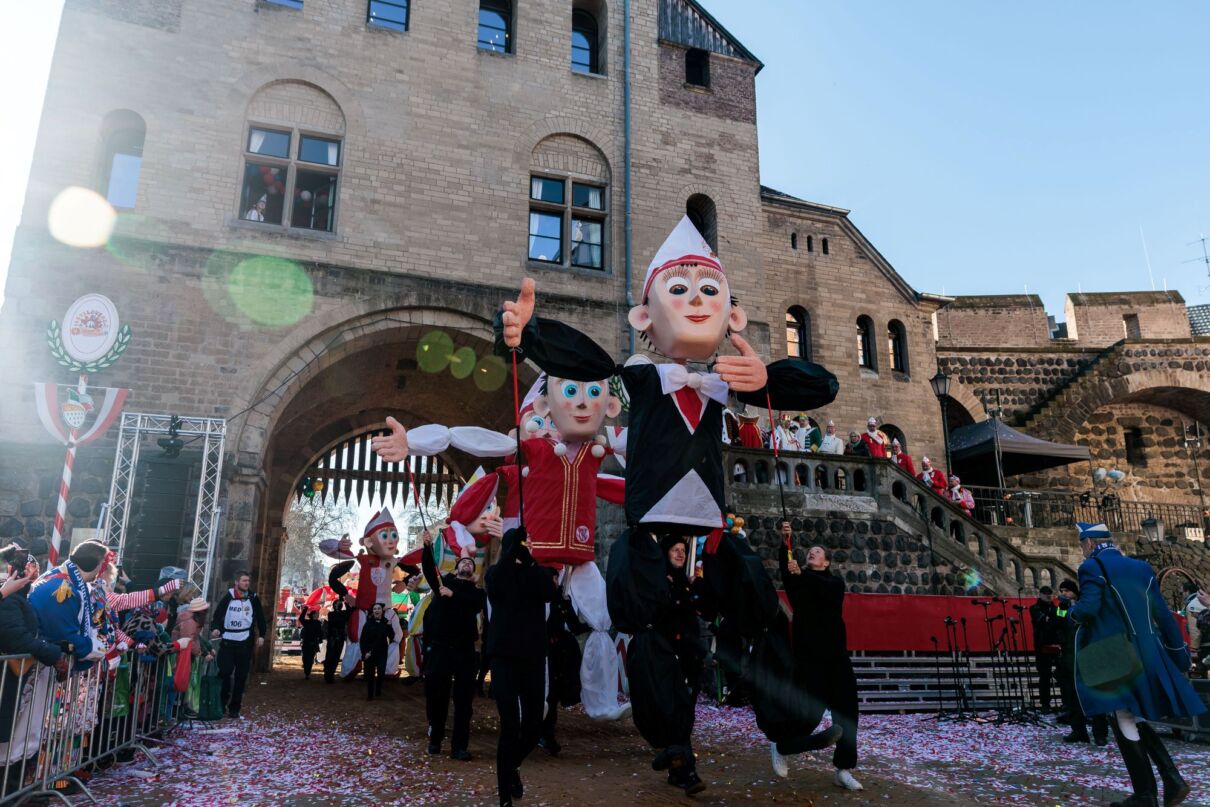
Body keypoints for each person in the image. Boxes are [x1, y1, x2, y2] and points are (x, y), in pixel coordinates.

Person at [500, 216, 838, 796]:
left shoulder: (727, 380)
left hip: (711, 534)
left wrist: (765, 377)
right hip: (653, 534)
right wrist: (530, 336)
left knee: (759, 608)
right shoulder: (637, 376)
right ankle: (674, 742)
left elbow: (821, 387)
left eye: (709, 291)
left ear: (732, 314)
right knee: (647, 625)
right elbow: (585, 362)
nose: (696, 301)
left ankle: (790, 724)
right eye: (678, 290)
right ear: (644, 318)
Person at [1069, 522, 1205, 807]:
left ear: (1091, 543)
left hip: (1115, 652)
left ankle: (1148, 793)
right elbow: (1164, 615)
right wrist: (1179, 655)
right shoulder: (1141, 568)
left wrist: (1070, 611)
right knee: (1133, 715)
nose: (1083, 550)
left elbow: (1088, 608)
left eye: (1083, 545)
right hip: (1149, 649)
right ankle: (1170, 780)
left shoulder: (1091, 567)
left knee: (1122, 716)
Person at [776, 524, 862, 791]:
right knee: (809, 712)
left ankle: (843, 768)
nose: (812, 553)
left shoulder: (834, 583)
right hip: (809, 658)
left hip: (836, 656)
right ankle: (782, 746)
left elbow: (824, 593)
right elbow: (787, 568)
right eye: (809, 551)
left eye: (817, 552)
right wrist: (785, 544)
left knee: (847, 711)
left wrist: (800, 574)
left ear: (826, 562)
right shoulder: (798, 579)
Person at [485, 529, 558, 807]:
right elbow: (496, 585)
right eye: (520, 546)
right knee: (509, 726)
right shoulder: (497, 574)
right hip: (503, 658)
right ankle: (505, 795)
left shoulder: (535, 574)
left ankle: (513, 765)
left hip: (532, 659)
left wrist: (529, 561)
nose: (524, 549)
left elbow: (549, 591)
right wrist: (511, 552)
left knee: (532, 727)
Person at [0, 545, 69, 787]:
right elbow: (15, 636)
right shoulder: (8, 600)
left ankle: (14, 788)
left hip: (20, 679)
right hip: (10, 679)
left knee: (20, 736)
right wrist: (52, 653)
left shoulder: (14, 599)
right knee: (12, 740)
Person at [420, 527, 486, 761]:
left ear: (473, 571)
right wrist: (427, 548)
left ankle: (460, 746)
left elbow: (474, 604)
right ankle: (435, 739)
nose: (467, 564)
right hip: (440, 648)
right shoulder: (443, 582)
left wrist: (453, 595)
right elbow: (429, 571)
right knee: (437, 695)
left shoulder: (476, 592)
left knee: (464, 701)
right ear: (457, 566)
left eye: (471, 563)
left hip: (464, 651)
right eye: (464, 562)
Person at [1055, 579, 1109, 745]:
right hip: (1070, 654)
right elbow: (1059, 623)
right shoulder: (1062, 608)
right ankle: (1078, 730)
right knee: (1072, 694)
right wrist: (1062, 608)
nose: (1064, 593)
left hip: (1089, 652)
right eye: (1062, 590)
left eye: (1067, 590)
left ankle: (1100, 733)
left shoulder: (1086, 605)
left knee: (1095, 693)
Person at [209, 570, 267, 720]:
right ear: (236, 583)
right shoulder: (228, 597)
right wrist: (215, 628)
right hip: (228, 640)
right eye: (243, 581)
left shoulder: (253, 598)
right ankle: (222, 703)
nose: (246, 583)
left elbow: (260, 617)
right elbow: (217, 615)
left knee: (241, 677)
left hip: (245, 641)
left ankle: (235, 707)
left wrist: (261, 635)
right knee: (225, 672)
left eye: (248, 581)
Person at [1029, 586, 1062, 713]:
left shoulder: (1056, 608)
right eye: (1045, 594)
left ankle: (1065, 703)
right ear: (1040, 595)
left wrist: (1053, 618)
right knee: (1044, 676)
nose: (1048, 596)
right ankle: (1045, 704)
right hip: (1042, 646)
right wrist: (1053, 619)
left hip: (1057, 644)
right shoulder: (1034, 608)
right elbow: (1042, 620)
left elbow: (1062, 619)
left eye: (1050, 594)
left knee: (1062, 674)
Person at [360, 602, 391, 700]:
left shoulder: (386, 622)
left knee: (381, 673)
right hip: (370, 652)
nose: (376, 610)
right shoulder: (368, 624)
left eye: (378, 609)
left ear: (382, 611)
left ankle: (378, 690)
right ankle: (370, 694)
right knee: (370, 674)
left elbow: (392, 636)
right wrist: (365, 652)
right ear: (373, 611)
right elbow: (363, 640)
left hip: (382, 652)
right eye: (374, 609)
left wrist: (389, 627)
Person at [1181, 581, 1205, 675]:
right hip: (1205, 642)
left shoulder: (1192, 605)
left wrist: (1193, 648)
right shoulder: (1202, 601)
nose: (1181, 596)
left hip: (1203, 645)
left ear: (1187, 592)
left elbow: (1194, 629)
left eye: (1181, 593)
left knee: (1201, 672)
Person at [323, 599, 348, 684]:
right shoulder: (342, 614)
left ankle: (328, 674)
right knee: (334, 657)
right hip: (337, 638)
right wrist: (344, 601)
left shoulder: (331, 614)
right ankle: (329, 674)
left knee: (331, 656)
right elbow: (349, 610)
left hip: (333, 638)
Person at [300, 608, 324, 680]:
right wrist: (305, 610)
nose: (318, 615)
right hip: (307, 643)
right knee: (305, 658)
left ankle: (307, 673)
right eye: (317, 614)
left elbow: (320, 633)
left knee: (309, 659)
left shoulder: (318, 623)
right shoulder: (307, 622)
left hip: (312, 643)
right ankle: (306, 671)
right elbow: (301, 618)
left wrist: (319, 640)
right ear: (313, 615)